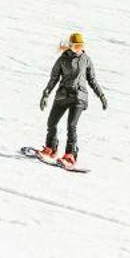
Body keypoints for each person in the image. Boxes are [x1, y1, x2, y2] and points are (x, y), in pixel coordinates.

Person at [39, 32, 108, 167]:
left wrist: (101, 96)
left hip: (79, 97)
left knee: (71, 126)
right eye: (76, 46)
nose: (79, 49)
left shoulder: (86, 59)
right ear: (70, 46)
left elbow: (92, 80)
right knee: (51, 123)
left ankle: (70, 155)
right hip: (62, 96)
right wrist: (46, 94)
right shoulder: (62, 60)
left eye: (81, 46)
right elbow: (53, 78)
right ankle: (51, 148)